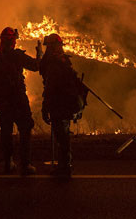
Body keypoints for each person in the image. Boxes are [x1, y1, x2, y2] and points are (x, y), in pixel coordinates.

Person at [0, 27, 39, 175]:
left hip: (3, 100)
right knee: (25, 128)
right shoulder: (17, 56)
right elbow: (35, 66)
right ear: (12, 41)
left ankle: (8, 162)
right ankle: (25, 163)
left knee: (6, 131)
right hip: (18, 98)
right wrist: (40, 55)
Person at [38, 33, 86, 178]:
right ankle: (65, 164)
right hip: (65, 104)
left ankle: (64, 167)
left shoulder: (55, 64)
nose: (47, 50)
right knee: (63, 135)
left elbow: (50, 87)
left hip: (59, 104)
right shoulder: (64, 61)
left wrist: (45, 107)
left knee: (62, 136)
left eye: (49, 47)